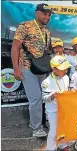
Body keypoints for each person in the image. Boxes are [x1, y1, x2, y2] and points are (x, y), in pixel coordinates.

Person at [11, 3, 54, 137]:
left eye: (49, 14)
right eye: (44, 13)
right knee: (35, 98)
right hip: (26, 68)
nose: (47, 16)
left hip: (41, 69)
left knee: (44, 96)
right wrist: (16, 69)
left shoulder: (47, 31)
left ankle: (40, 122)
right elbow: (15, 48)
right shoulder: (25, 26)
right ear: (37, 13)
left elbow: (46, 51)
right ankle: (36, 128)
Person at [41, 55, 71, 151]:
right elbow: (44, 98)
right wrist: (52, 96)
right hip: (52, 111)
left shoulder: (66, 78)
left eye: (66, 68)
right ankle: (50, 148)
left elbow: (67, 90)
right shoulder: (46, 82)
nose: (65, 71)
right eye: (63, 69)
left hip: (63, 109)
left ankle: (63, 145)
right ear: (54, 69)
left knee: (63, 128)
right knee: (53, 131)